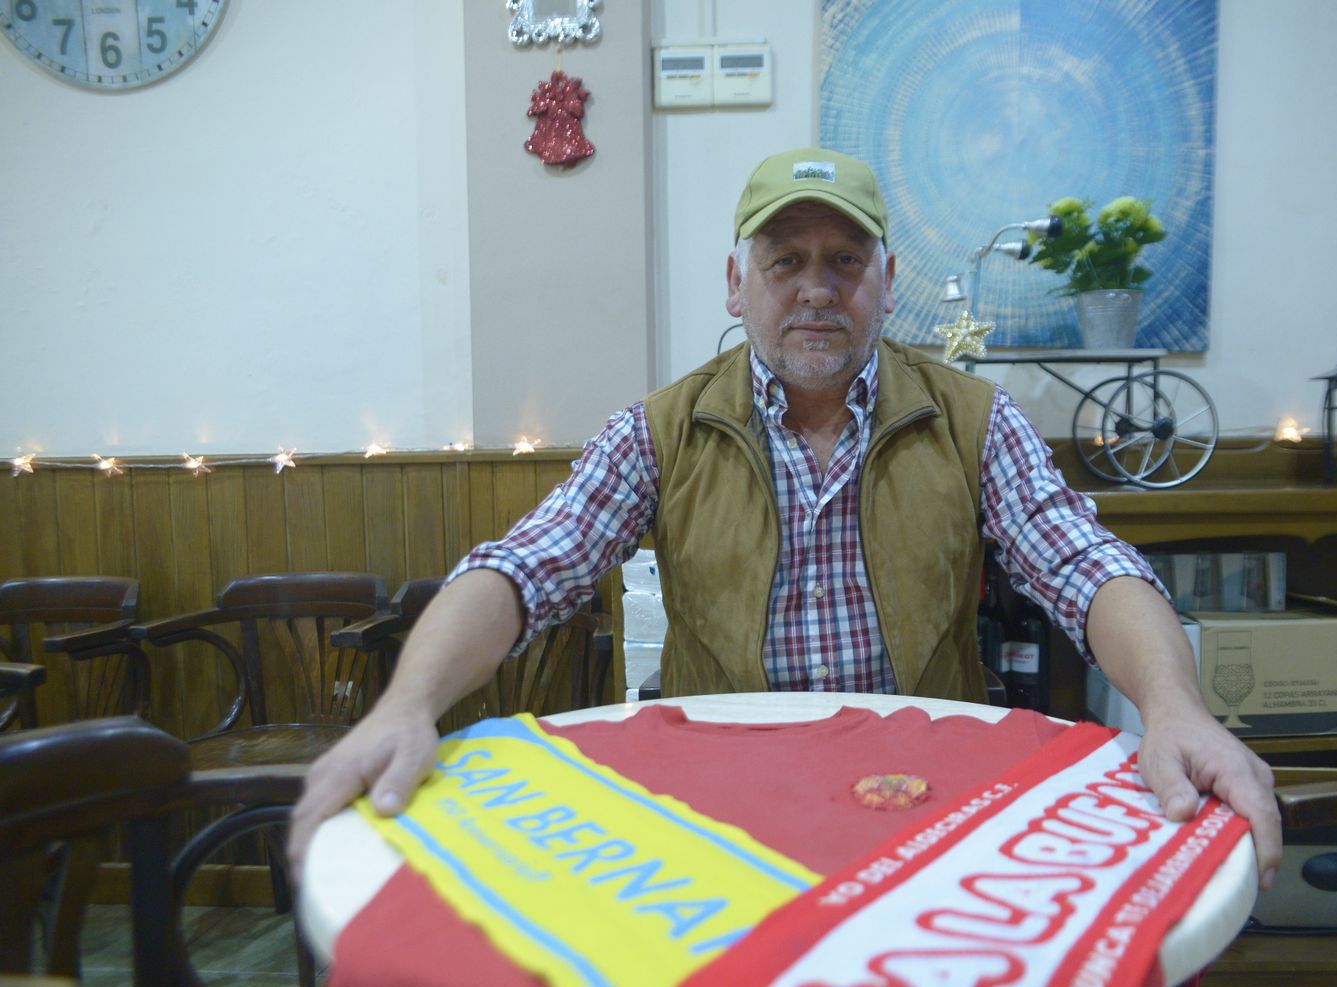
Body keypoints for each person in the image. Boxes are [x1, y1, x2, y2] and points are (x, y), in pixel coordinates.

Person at [288, 147, 1281, 890]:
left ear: (885, 286)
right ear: (736, 283)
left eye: (845, 260)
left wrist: (1175, 709)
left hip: (927, 806)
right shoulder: (660, 430)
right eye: (785, 259)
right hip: (714, 815)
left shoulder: (972, 421)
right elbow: (523, 569)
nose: (816, 288)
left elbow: (1087, 566)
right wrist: (406, 704)